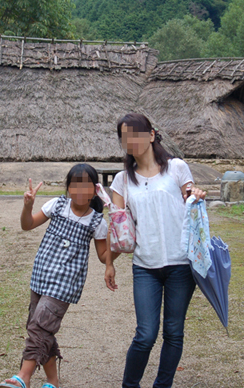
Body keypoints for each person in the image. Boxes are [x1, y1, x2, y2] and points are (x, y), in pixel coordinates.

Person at [105, 113, 206, 388]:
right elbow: (118, 228)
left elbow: (190, 196)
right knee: (145, 334)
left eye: (136, 134)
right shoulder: (121, 181)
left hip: (181, 265)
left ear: (151, 134)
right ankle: (130, 385)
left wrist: (195, 193)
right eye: (125, 137)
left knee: (173, 332)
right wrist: (109, 263)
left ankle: (162, 385)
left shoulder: (176, 168)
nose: (131, 141)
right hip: (145, 266)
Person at [0, 164, 110, 388]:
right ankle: (52, 381)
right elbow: (27, 225)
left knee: (39, 326)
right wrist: (27, 206)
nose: (79, 189)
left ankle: (23, 376)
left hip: (65, 286)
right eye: (74, 183)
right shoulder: (57, 205)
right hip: (40, 277)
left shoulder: (97, 222)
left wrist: (119, 243)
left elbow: (104, 255)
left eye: (85, 184)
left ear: (95, 190)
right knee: (40, 328)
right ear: (68, 187)